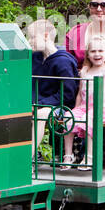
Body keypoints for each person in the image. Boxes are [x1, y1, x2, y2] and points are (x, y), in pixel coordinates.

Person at [27, 19, 80, 153]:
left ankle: (28, 159)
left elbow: (67, 95)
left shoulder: (63, 62)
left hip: (60, 106)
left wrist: (40, 104)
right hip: (35, 104)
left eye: (32, 37)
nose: (29, 41)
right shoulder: (35, 58)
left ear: (46, 36)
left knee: (41, 114)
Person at [69, 36, 105, 163]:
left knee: (89, 120)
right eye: (93, 51)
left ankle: (90, 157)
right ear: (88, 54)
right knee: (68, 119)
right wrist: (76, 108)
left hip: (101, 109)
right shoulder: (85, 71)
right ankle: (68, 155)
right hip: (84, 108)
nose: (97, 54)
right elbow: (80, 94)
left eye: (100, 51)